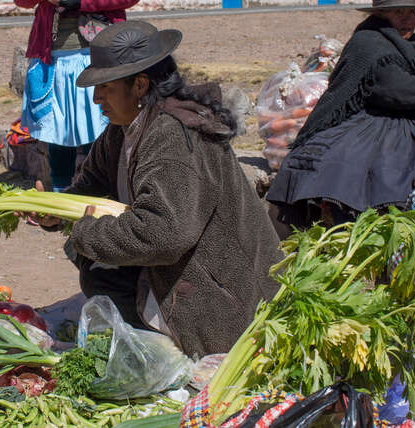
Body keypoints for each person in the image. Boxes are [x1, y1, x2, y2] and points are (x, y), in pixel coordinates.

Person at [33, 21, 283, 359]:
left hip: (223, 298)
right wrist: (55, 209)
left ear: (138, 85)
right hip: (183, 275)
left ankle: (168, 342)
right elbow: (89, 190)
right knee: (98, 270)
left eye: (104, 87)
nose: (95, 99)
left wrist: (85, 233)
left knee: (98, 257)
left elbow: (164, 233)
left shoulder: (174, 136)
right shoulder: (123, 130)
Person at [267, 0, 415, 228]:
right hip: (367, 117)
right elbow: (389, 86)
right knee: (344, 160)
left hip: (402, 121)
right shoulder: (368, 42)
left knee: (396, 163)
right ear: (380, 15)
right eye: (399, 13)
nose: (408, 19)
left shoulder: (409, 44)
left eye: (412, 12)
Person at [13, 0, 141, 191]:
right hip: (56, 53)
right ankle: (60, 191)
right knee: (60, 128)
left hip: (98, 53)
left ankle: (105, 189)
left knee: (100, 124)